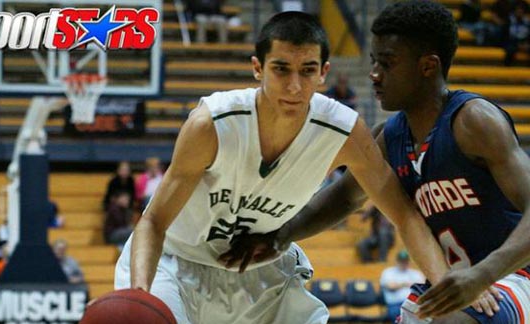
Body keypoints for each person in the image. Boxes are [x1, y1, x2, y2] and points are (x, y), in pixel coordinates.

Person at [115, 11, 449, 324]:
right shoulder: (212, 124)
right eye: (281, 69)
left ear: (323, 73)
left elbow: (403, 214)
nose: (294, 86)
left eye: (307, 70)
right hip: (175, 265)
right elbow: (153, 221)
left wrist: (448, 284)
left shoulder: (344, 131)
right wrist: (140, 296)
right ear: (257, 68)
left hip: (262, 275)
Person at [221, 1, 530, 323]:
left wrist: (483, 274)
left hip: (511, 277)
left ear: (427, 66)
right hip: (451, 284)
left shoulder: (473, 121)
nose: (374, 74)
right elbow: (343, 198)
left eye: (387, 63)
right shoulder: (391, 137)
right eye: (373, 62)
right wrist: (279, 236)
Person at [380, 250, 425, 323]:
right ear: (397, 261)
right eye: (401, 261)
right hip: (395, 304)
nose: (403, 263)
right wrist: (407, 284)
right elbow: (391, 286)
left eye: (405, 261)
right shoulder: (388, 272)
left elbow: (423, 287)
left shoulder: (416, 273)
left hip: (413, 304)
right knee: (395, 314)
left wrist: (399, 285)